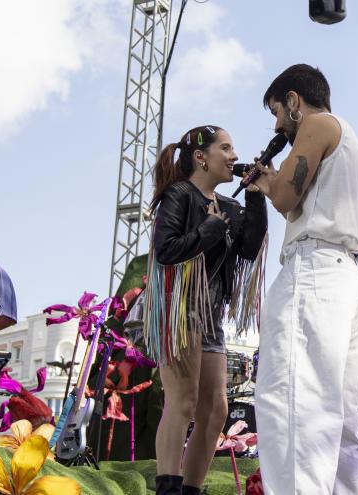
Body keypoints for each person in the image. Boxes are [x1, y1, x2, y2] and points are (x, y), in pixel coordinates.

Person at [251, 64, 358, 494]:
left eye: (277, 112)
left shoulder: (317, 122)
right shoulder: (346, 137)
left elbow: (287, 196)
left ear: (293, 100)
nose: (277, 125)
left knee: (293, 404)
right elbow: (295, 198)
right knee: (337, 419)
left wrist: (271, 185)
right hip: (345, 276)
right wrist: (272, 183)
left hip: (315, 271)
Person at [144, 125, 268, 495]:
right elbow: (166, 250)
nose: (233, 156)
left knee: (215, 411)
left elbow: (248, 249)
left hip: (211, 312)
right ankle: (168, 488)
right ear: (201, 156)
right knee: (183, 400)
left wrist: (256, 197)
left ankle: (190, 489)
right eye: (225, 148)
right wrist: (210, 230)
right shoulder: (179, 195)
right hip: (178, 309)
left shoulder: (228, 205)